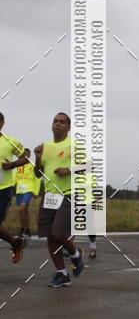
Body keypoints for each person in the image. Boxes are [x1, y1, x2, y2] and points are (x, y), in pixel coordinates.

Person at [34, 112, 85, 288]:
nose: (57, 124)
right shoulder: (44, 146)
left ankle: (76, 254)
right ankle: (62, 274)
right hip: (49, 195)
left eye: (62, 122)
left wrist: (68, 170)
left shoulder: (73, 145)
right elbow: (37, 173)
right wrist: (38, 157)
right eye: (55, 121)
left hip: (68, 193)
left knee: (58, 233)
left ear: (69, 127)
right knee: (49, 236)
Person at [0, 113, 29, 262]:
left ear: (2, 123)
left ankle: (16, 243)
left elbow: (26, 156)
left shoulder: (10, 141)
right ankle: (16, 243)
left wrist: (12, 165)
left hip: (3, 189)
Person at [14, 148, 42, 238]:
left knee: (22, 208)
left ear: (29, 156)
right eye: (23, 155)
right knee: (23, 211)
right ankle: (25, 229)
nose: (25, 156)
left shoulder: (33, 166)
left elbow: (37, 179)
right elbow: (14, 178)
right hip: (19, 190)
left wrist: (36, 192)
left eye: (26, 154)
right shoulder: (19, 166)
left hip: (29, 189)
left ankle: (25, 229)